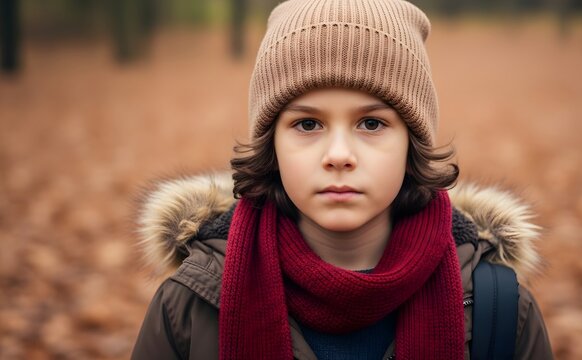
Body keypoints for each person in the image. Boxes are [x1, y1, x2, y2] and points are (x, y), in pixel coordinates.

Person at [131, 0, 553, 358]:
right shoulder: (190, 305)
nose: (338, 156)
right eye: (307, 125)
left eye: (371, 123)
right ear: (271, 144)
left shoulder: (498, 311)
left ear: (412, 141)